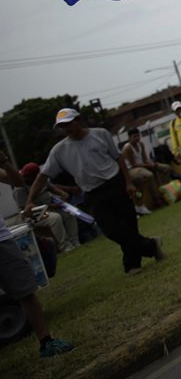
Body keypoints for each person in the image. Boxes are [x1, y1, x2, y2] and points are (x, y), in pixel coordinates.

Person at [23, 109, 164, 275]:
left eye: (68, 123)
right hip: (93, 193)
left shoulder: (100, 134)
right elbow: (43, 176)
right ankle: (151, 245)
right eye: (62, 126)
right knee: (111, 229)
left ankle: (132, 264)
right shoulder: (59, 151)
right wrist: (29, 201)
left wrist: (128, 183)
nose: (66, 128)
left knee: (128, 225)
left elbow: (118, 158)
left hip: (115, 183)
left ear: (79, 120)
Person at [0, 151, 75, 359]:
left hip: (2, 240)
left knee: (25, 290)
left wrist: (5, 162)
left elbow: (17, 182)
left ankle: (46, 342)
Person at [10, 162, 80, 253]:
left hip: (49, 207)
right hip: (34, 215)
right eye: (25, 176)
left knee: (69, 211)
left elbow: (54, 188)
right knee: (55, 218)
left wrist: (63, 195)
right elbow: (26, 211)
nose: (25, 178)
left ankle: (74, 240)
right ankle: (65, 246)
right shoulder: (20, 189)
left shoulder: (41, 180)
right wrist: (50, 206)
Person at [121, 128, 168, 214]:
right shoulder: (127, 148)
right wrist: (148, 165)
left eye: (138, 136)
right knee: (148, 175)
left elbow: (145, 158)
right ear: (129, 138)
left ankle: (166, 191)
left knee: (165, 168)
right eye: (134, 136)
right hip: (131, 170)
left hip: (142, 167)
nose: (137, 138)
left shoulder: (141, 144)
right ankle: (155, 199)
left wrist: (152, 164)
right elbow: (133, 164)